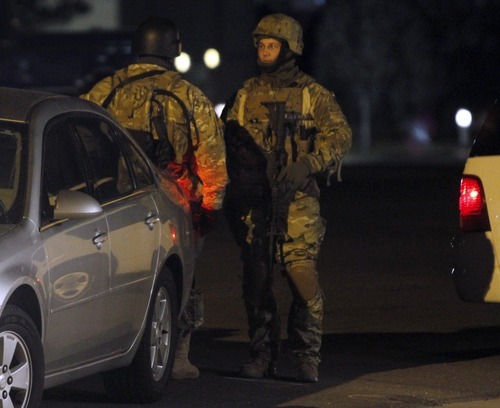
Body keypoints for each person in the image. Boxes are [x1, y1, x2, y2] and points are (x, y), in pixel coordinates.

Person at [82, 17, 228, 380]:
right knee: (180, 280)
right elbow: (213, 161)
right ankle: (177, 357)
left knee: (113, 278)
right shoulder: (188, 95)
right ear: (172, 49)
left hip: (109, 207)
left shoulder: (104, 91)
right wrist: (208, 210)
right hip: (172, 206)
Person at [222, 13, 352, 383]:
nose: (264, 51)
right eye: (260, 45)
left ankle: (307, 356)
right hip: (255, 202)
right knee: (257, 278)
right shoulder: (245, 95)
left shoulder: (313, 94)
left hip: (298, 200)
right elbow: (226, 142)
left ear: (289, 48)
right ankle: (262, 354)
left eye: (271, 45)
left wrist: (308, 164)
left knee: (301, 277)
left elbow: (341, 136)